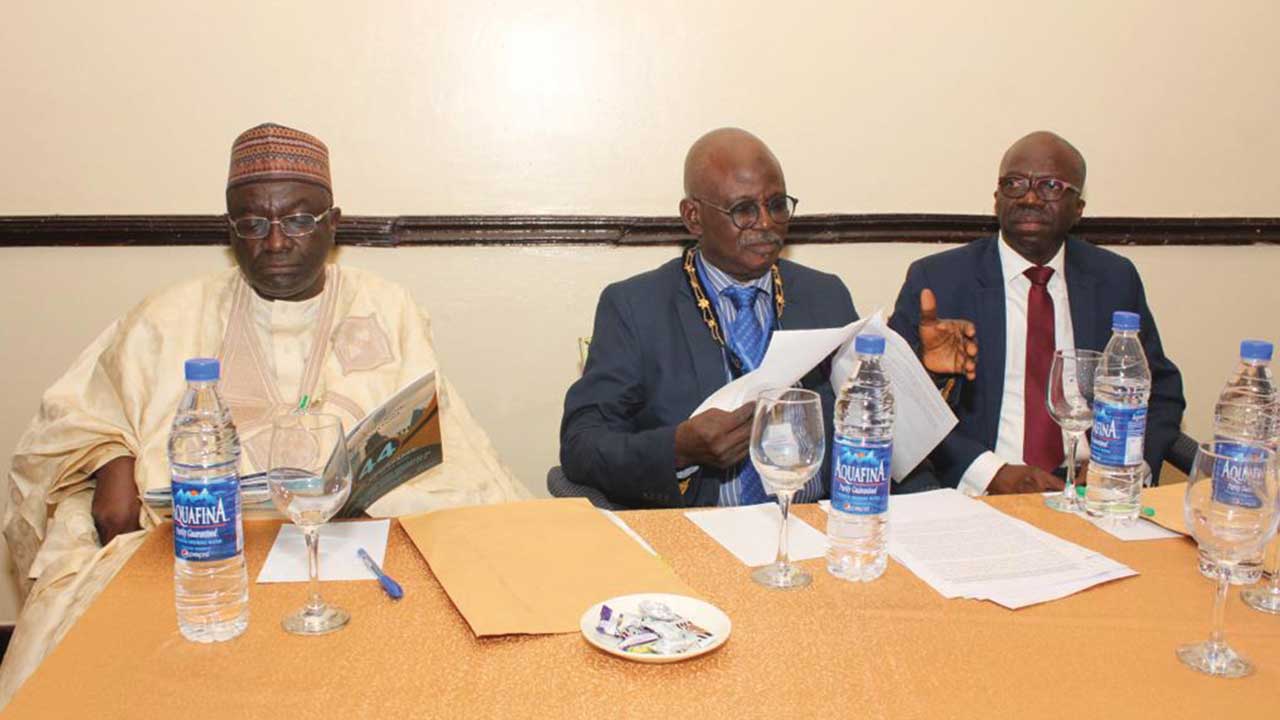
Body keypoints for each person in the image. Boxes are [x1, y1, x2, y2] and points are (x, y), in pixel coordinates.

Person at [0, 123, 527, 704]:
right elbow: (77, 414)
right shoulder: (171, 314)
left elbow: (444, 436)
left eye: (298, 220)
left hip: (359, 539)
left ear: (333, 223)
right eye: (252, 224)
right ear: (230, 230)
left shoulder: (386, 306)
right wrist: (111, 463)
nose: (275, 242)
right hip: (206, 552)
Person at [560, 128, 973, 508]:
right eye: (743, 210)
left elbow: (869, 425)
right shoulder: (636, 307)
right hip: (700, 530)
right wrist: (678, 449)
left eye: (776, 205)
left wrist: (927, 379)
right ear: (693, 217)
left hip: (815, 524)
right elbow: (581, 445)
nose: (766, 223)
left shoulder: (824, 295)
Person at [888, 131, 1185, 495]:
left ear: (1079, 208)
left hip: (1091, 492)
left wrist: (1123, 467)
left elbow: (1161, 392)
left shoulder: (1113, 279)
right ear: (996, 199)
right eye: (1014, 184)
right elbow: (897, 396)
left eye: (1051, 186)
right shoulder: (938, 280)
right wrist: (990, 473)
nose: (1029, 198)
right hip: (981, 491)